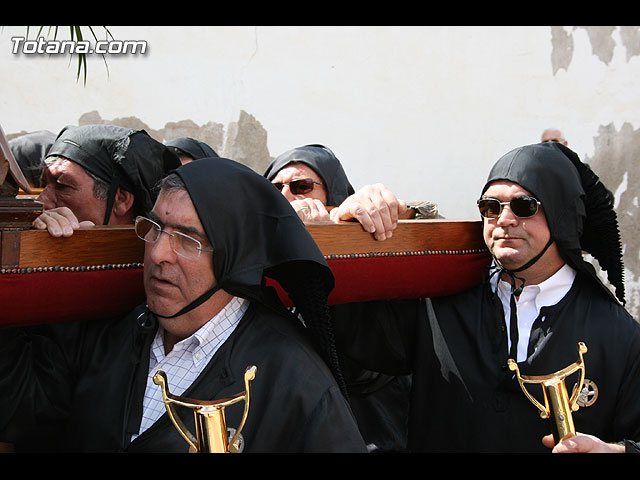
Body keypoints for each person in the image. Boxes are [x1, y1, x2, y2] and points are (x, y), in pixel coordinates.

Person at [0, 157, 367, 453]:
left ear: (237, 257)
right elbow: (19, 410)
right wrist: (22, 274)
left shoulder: (295, 378)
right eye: (155, 228)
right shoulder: (109, 332)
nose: (158, 253)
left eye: (188, 239)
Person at [337, 142, 640, 452]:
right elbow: (352, 339)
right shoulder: (440, 298)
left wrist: (615, 451)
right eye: (491, 207)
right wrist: (344, 226)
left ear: (561, 214)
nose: (504, 219)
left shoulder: (621, 336)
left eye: (524, 206)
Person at [265, 144, 432, 452]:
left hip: (366, 426)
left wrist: (333, 237)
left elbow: (378, 357)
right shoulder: (256, 256)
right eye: (275, 188)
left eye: (301, 186)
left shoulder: (366, 248)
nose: (287, 195)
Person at [32, 124, 181, 237]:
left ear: (121, 199)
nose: (42, 201)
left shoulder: (157, 265)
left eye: (62, 186)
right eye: (43, 185)